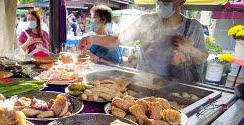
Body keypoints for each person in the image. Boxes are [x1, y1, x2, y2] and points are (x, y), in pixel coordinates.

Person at [80, 0, 208, 82]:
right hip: (144, 82)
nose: (163, 2)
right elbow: (117, 39)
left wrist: (190, 49)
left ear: (182, 1)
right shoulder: (146, 20)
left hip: (175, 86)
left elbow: (202, 58)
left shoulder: (193, 27)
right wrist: (92, 39)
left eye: (168, 0)